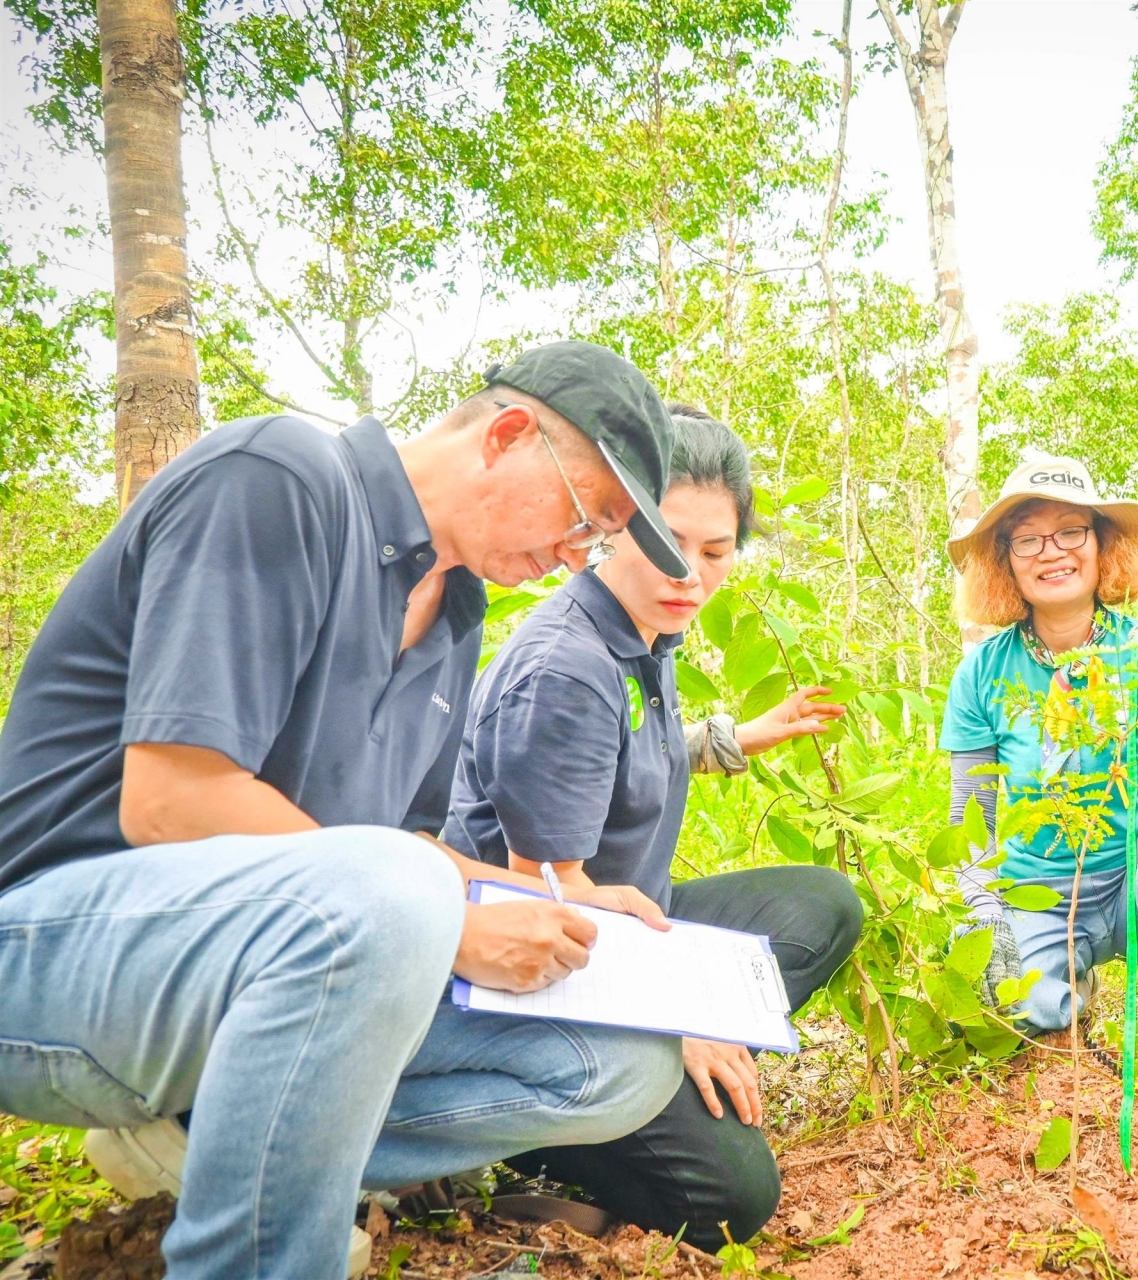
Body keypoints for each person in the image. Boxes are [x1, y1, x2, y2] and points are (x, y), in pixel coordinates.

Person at [0, 341, 701, 1280]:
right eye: (587, 521)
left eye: (598, 544)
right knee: (399, 890)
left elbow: (404, 845)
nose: (578, 557)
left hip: (275, 977)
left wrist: (554, 897)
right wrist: (446, 918)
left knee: (620, 1066)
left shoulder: (455, 612)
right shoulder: (279, 479)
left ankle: (219, 1145)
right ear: (505, 436)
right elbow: (171, 801)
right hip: (61, 953)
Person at [443, 404, 864, 1251]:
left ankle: (660, 1103)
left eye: (715, 552)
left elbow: (629, 752)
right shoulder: (567, 667)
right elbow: (554, 906)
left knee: (821, 905)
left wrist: (729, 740)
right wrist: (680, 1023)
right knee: (733, 1202)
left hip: (625, 929)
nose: (690, 573)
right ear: (609, 525)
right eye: (666, 543)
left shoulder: (645, 631)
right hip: (535, 976)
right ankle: (541, 1140)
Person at [940, 455, 1138, 1119]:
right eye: (1028, 538)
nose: (1050, 552)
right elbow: (971, 816)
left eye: (1070, 532)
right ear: (1006, 559)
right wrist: (984, 917)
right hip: (1040, 893)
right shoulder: (981, 673)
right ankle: (1065, 986)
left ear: (1100, 545)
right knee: (1001, 1006)